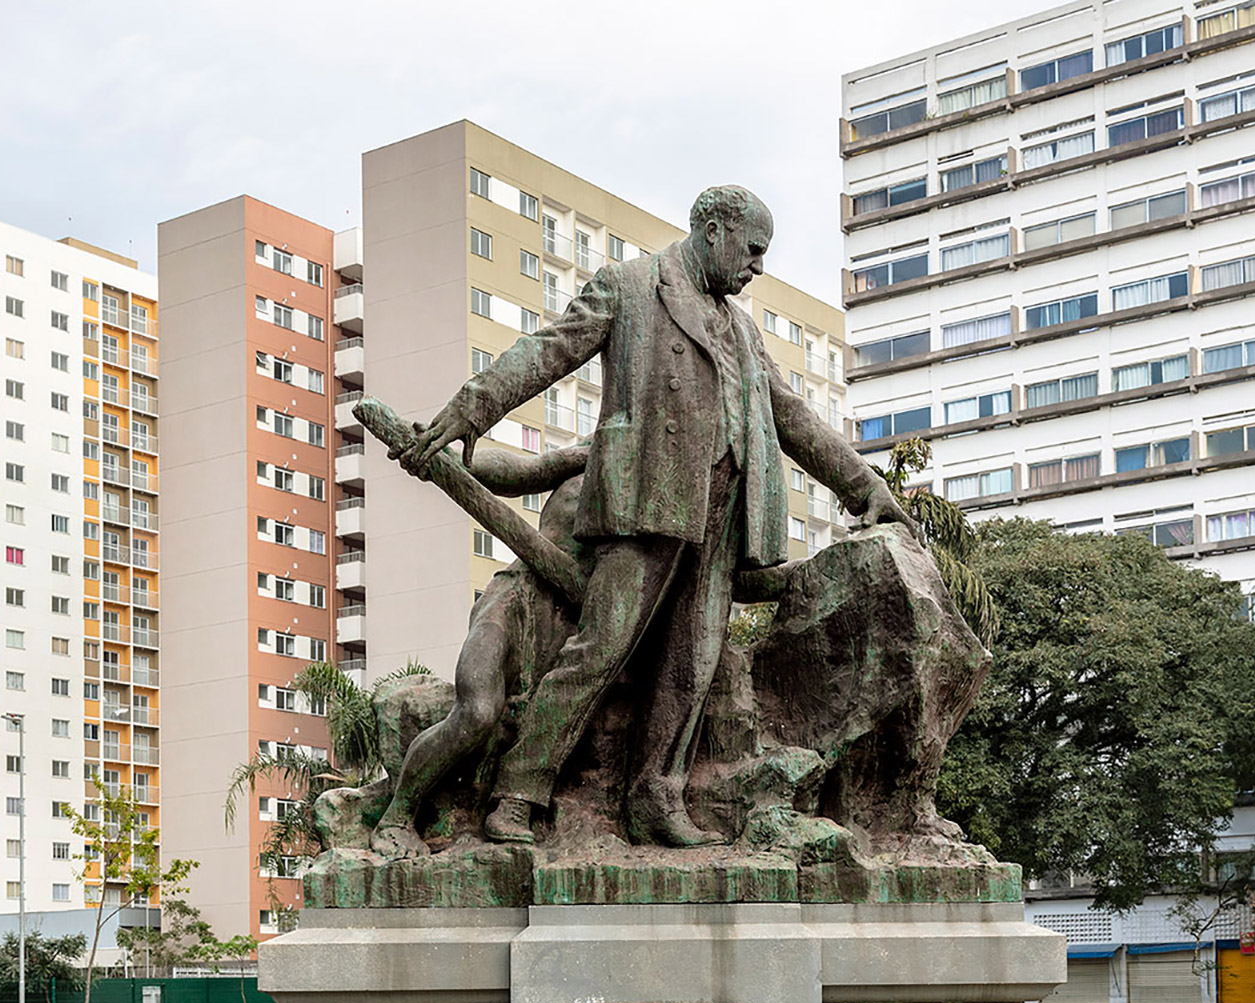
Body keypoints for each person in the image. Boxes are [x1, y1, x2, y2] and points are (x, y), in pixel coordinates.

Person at [401, 185, 914, 848]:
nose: (758, 266)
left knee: (690, 668)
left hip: (722, 520)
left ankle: (656, 798)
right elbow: (545, 352)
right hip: (647, 503)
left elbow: (792, 417)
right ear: (712, 230)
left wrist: (861, 486)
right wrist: (471, 410)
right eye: (753, 250)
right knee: (600, 652)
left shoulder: (744, 331)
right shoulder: (629, 286)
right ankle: (517, 794)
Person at [370, 444, 591, 859]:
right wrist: (447, 455)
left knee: (521, 719)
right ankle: (397, 816)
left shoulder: (667, 491)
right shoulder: (598, 451)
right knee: (477, 712)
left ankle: (513, 807)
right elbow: (523, 470)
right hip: (513, 596)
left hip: (569, 621)